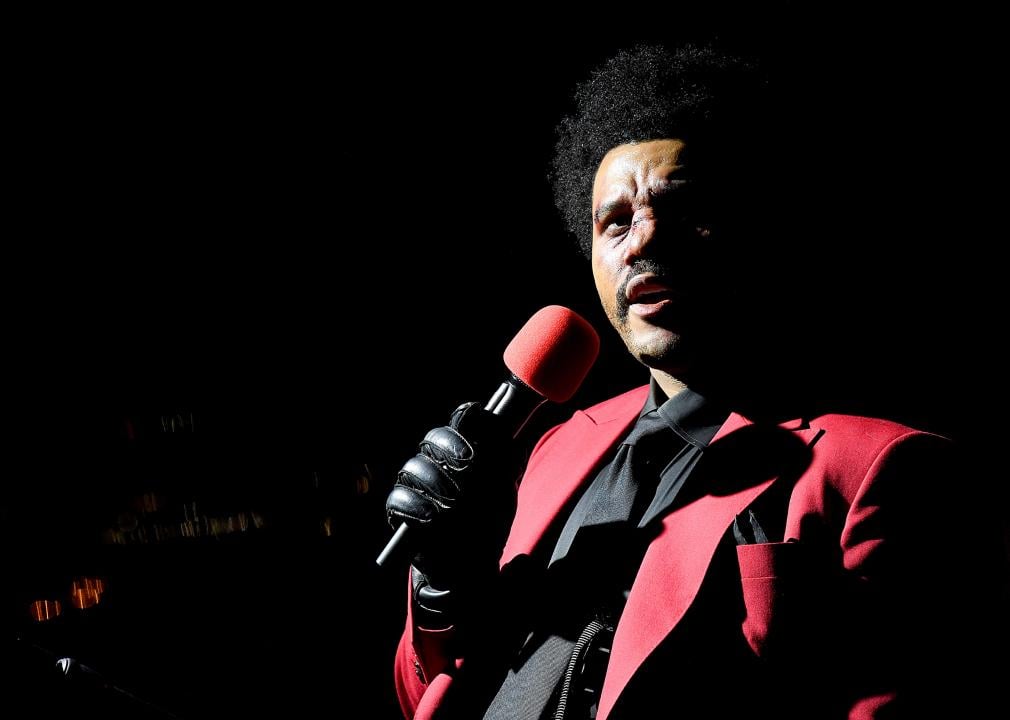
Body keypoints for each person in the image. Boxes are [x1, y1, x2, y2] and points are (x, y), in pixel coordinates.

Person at [384, 44, 1005, 719]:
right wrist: (442, 587)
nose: (642, 241)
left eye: (682, 209)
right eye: (615, 222)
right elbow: (432, 694)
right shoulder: (554, 450)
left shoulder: (882, 471)